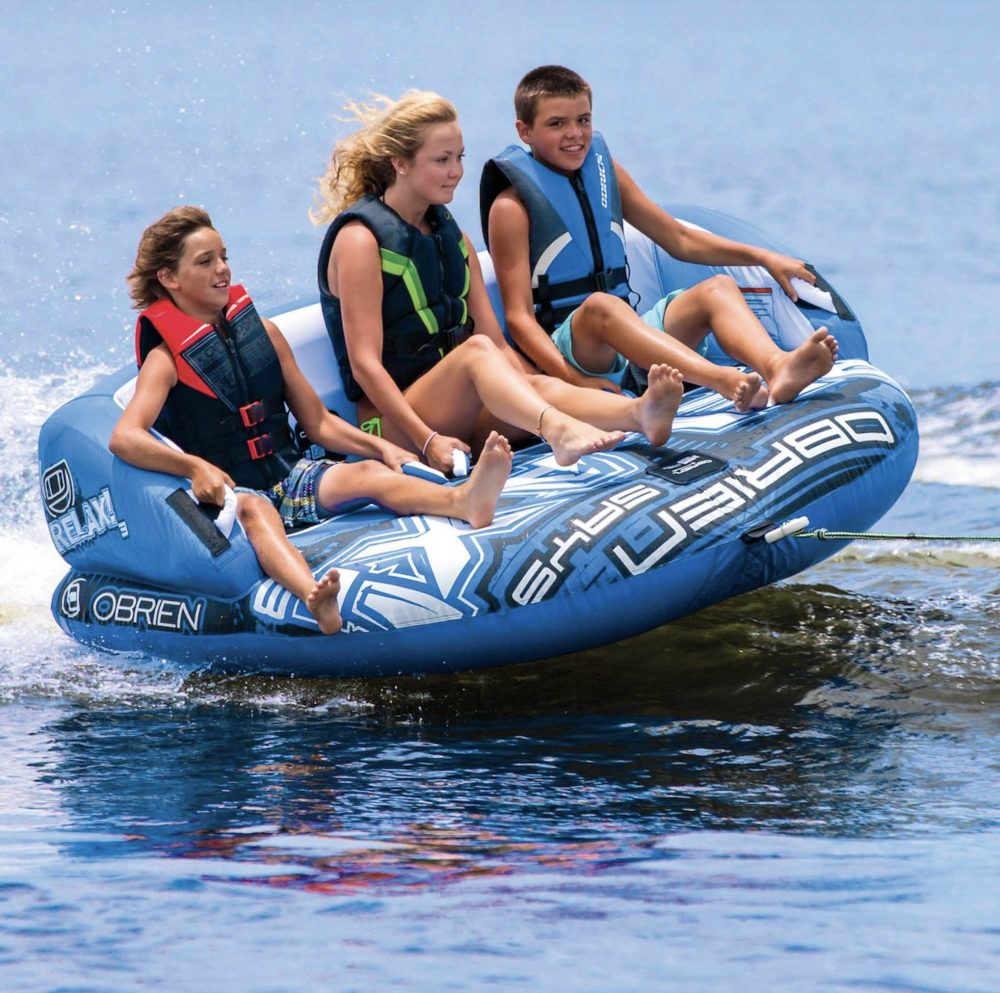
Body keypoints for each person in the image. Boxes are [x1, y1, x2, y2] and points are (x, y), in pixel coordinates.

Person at [110, 206, 515, 636]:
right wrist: (193, 467)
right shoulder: (165, 360)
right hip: (232, 496)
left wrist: (379, 447)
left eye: (224, 257)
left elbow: (318, 421)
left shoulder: (263, 333)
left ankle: (464, 502)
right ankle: (314, 596)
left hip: (289, 476)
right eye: (205, 262)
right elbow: (125, 437)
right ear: (169, 279)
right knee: (256, 511)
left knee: (368, 475)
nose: (223, 270)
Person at [311, 91, 686, 478]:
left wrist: (542, 387)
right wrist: (427, 440)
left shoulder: (452, 238)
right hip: (393, 427)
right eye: (441, 160)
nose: (456, 171)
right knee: (478, 352)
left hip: (454, 411)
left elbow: (498, 341)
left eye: (459, 158)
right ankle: (559, 430)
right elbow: (365, 367)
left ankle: (638, 413)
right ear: (400, 164)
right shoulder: (360, 241)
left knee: (531, 384)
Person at [482, 65, 839, 411]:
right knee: (602, 306)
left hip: (631, 342)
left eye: (584, 120)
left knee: (718, 289)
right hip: (575, 350)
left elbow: (679, 238)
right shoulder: (511, 208)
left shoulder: (604, 173)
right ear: (524, 131)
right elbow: (519, 319)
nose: (575, 134)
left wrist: (763, 257)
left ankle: (778, 368)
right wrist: (572, 379)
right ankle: (725, 381)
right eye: (556, 124)